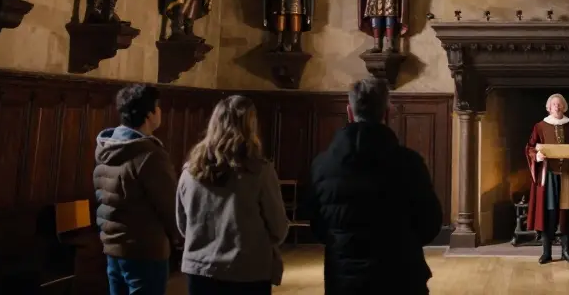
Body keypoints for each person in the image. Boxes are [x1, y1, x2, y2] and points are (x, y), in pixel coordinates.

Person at [305, 78, 443, 294]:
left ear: (350, 112)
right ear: (387, 114)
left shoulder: (321, 166)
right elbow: (430, 223)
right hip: (400, 277)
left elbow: (317, 226)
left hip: (344, 280)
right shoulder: (409, 163)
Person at [176, 95, 288, 294]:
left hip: (201, 269)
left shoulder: (190, 171)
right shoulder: (259, 172)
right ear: (250, 126)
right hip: (247, 271)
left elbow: (183, 226)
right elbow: (278, 228)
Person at [94, 84, 179, 295]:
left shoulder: (107, 146)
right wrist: (180, 238)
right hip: (144, 250)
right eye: (158, 107)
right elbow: (170, 207)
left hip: (114, 246)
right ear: (149, 114)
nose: (160, 112)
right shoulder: (149, 154)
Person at [524, 93, 569, 265]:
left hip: (567, 176)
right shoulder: (540, 126)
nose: (557, 107)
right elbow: (529, 147)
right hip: (548, 176)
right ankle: (546, 252)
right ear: (548, 108)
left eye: (559, 104)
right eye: (553, 104)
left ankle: (566, 251)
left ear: (564, 107)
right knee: (548, 213)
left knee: (566, 214)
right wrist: (537, 156)